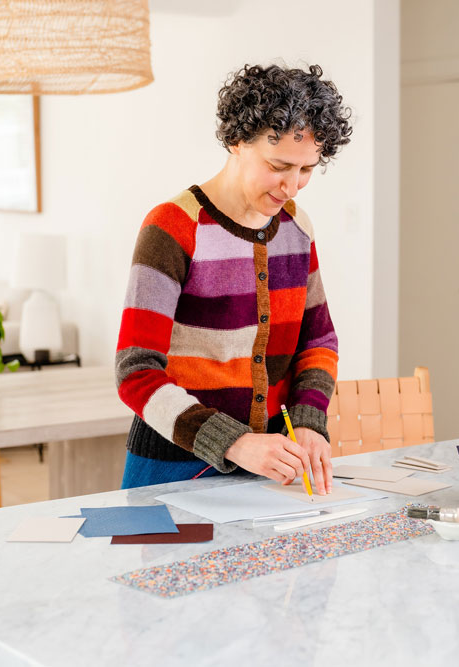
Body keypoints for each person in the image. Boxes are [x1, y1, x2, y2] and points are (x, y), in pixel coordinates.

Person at [115, 63, 352, 493]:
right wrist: (236, 442)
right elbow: (136, 372)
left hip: (271, 470)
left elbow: (318, 343)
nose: (293, 186)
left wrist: (309, 421)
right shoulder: (172, 228)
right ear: (237, 140)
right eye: (279, 165)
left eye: (306, 170)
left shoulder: (298, 230)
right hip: (171, 468)